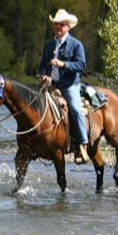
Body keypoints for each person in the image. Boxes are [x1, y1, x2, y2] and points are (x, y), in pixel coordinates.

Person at [38, 9, 90, 164]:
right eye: (56, 24)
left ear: (68, 27)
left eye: (61, 25)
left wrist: (63, 64)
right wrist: (43, 75)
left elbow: (81, 65)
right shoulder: (49, 46)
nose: (58, 27)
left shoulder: (76, 45)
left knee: (74, 108)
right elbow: (42, 65)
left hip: (69, 85)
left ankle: (82, 144)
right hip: (51, 85)